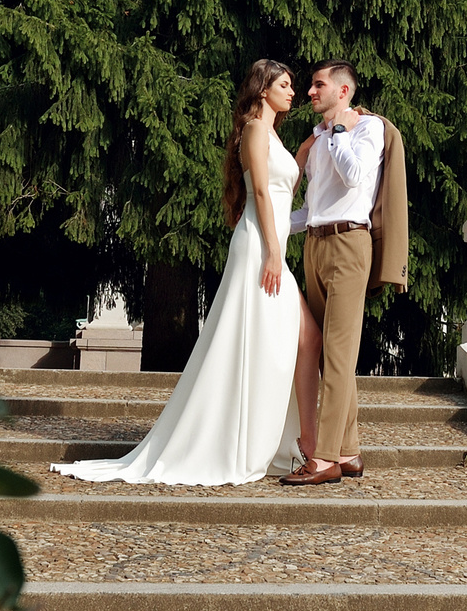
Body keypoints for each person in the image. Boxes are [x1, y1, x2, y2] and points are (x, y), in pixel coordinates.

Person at [50, 60, 303, 486]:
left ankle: (266, 439)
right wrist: (274, 251)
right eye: (284, 84)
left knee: (273, 339)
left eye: (293, 85)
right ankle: (234, 441)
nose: (292, 91)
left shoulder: (274, 132)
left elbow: (281, 190)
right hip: (261, 246)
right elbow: (260, 190)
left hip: (271, 244)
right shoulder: (256, 128)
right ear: (263, 90)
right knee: (252, 338)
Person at [280, 59, 408, 486]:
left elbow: (355, 178)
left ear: (344, 90)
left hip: (351, 246)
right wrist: (271, 227)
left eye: (318, 86)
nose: (310, 92)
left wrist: (337, 130)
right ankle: (350, 452)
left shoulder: (369, 130)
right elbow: (312, 209)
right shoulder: (317, 141)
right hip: (315, 245)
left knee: (338, 355)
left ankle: (325, 459)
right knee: (328, 356)